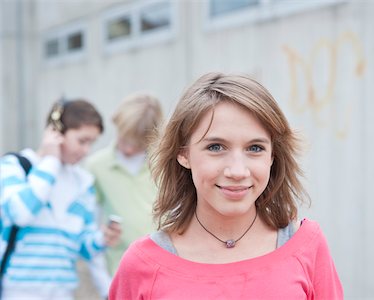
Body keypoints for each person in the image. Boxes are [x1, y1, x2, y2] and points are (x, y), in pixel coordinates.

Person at [109, 72, 343, 299]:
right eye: (216, 147)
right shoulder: (141, 264)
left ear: (272, 156)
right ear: (183, 154)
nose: (238, 171)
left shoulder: (307, 246)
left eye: (255, 148)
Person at [0, 99, 121, 300]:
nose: (86, 151)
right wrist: (51, 161)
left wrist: (102, 239)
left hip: (63, 293)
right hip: (18, 292)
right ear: (55, 133)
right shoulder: (14, 166)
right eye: (82, 141)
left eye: (91, 143)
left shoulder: (83, 183)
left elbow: (82, 247)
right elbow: (21, 213)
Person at [85, 92, 163, 275]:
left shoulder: (164, 163)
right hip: (121, 270)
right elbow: (90, 222)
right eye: (124, 139)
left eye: (136, 143)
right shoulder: (96, 166)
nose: (128, 148)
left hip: (163, 267)